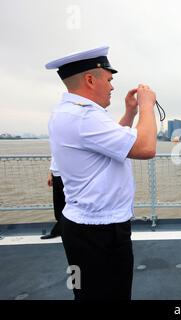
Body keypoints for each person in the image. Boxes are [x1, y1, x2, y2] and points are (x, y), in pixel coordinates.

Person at [45, 46, 157, 300]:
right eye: (109, 79)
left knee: (89, 294)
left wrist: (130, 113)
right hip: (100, 231)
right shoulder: (85, 117)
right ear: (89, 79)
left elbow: (110, 144)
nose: (112, 87)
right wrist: (147, 106)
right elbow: (146, 147)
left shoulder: (68, 113)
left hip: (84, 226)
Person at [40, 158, 65, 240]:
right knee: (58, 205)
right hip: (56, 175)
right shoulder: (56, 144)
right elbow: (55, 156)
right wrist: (51, 174)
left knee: (69, 205)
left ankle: (59, 230)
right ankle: (60, 230)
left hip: (65, 175)